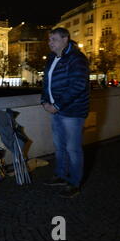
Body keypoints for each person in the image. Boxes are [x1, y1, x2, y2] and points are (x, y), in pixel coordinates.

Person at [41, 28, 90, 198]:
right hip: (56, 110)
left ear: (65, 39)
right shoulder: (52, 58)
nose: (50, 42)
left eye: (53, 39)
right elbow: (46, 82)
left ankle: (74, 183)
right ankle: (61, 176)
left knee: (72, 149)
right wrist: (44, 101)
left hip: (72, 111)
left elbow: (78, 86)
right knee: (60, 147)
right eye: (49, 39)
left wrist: (58, 105)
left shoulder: (77, 59)